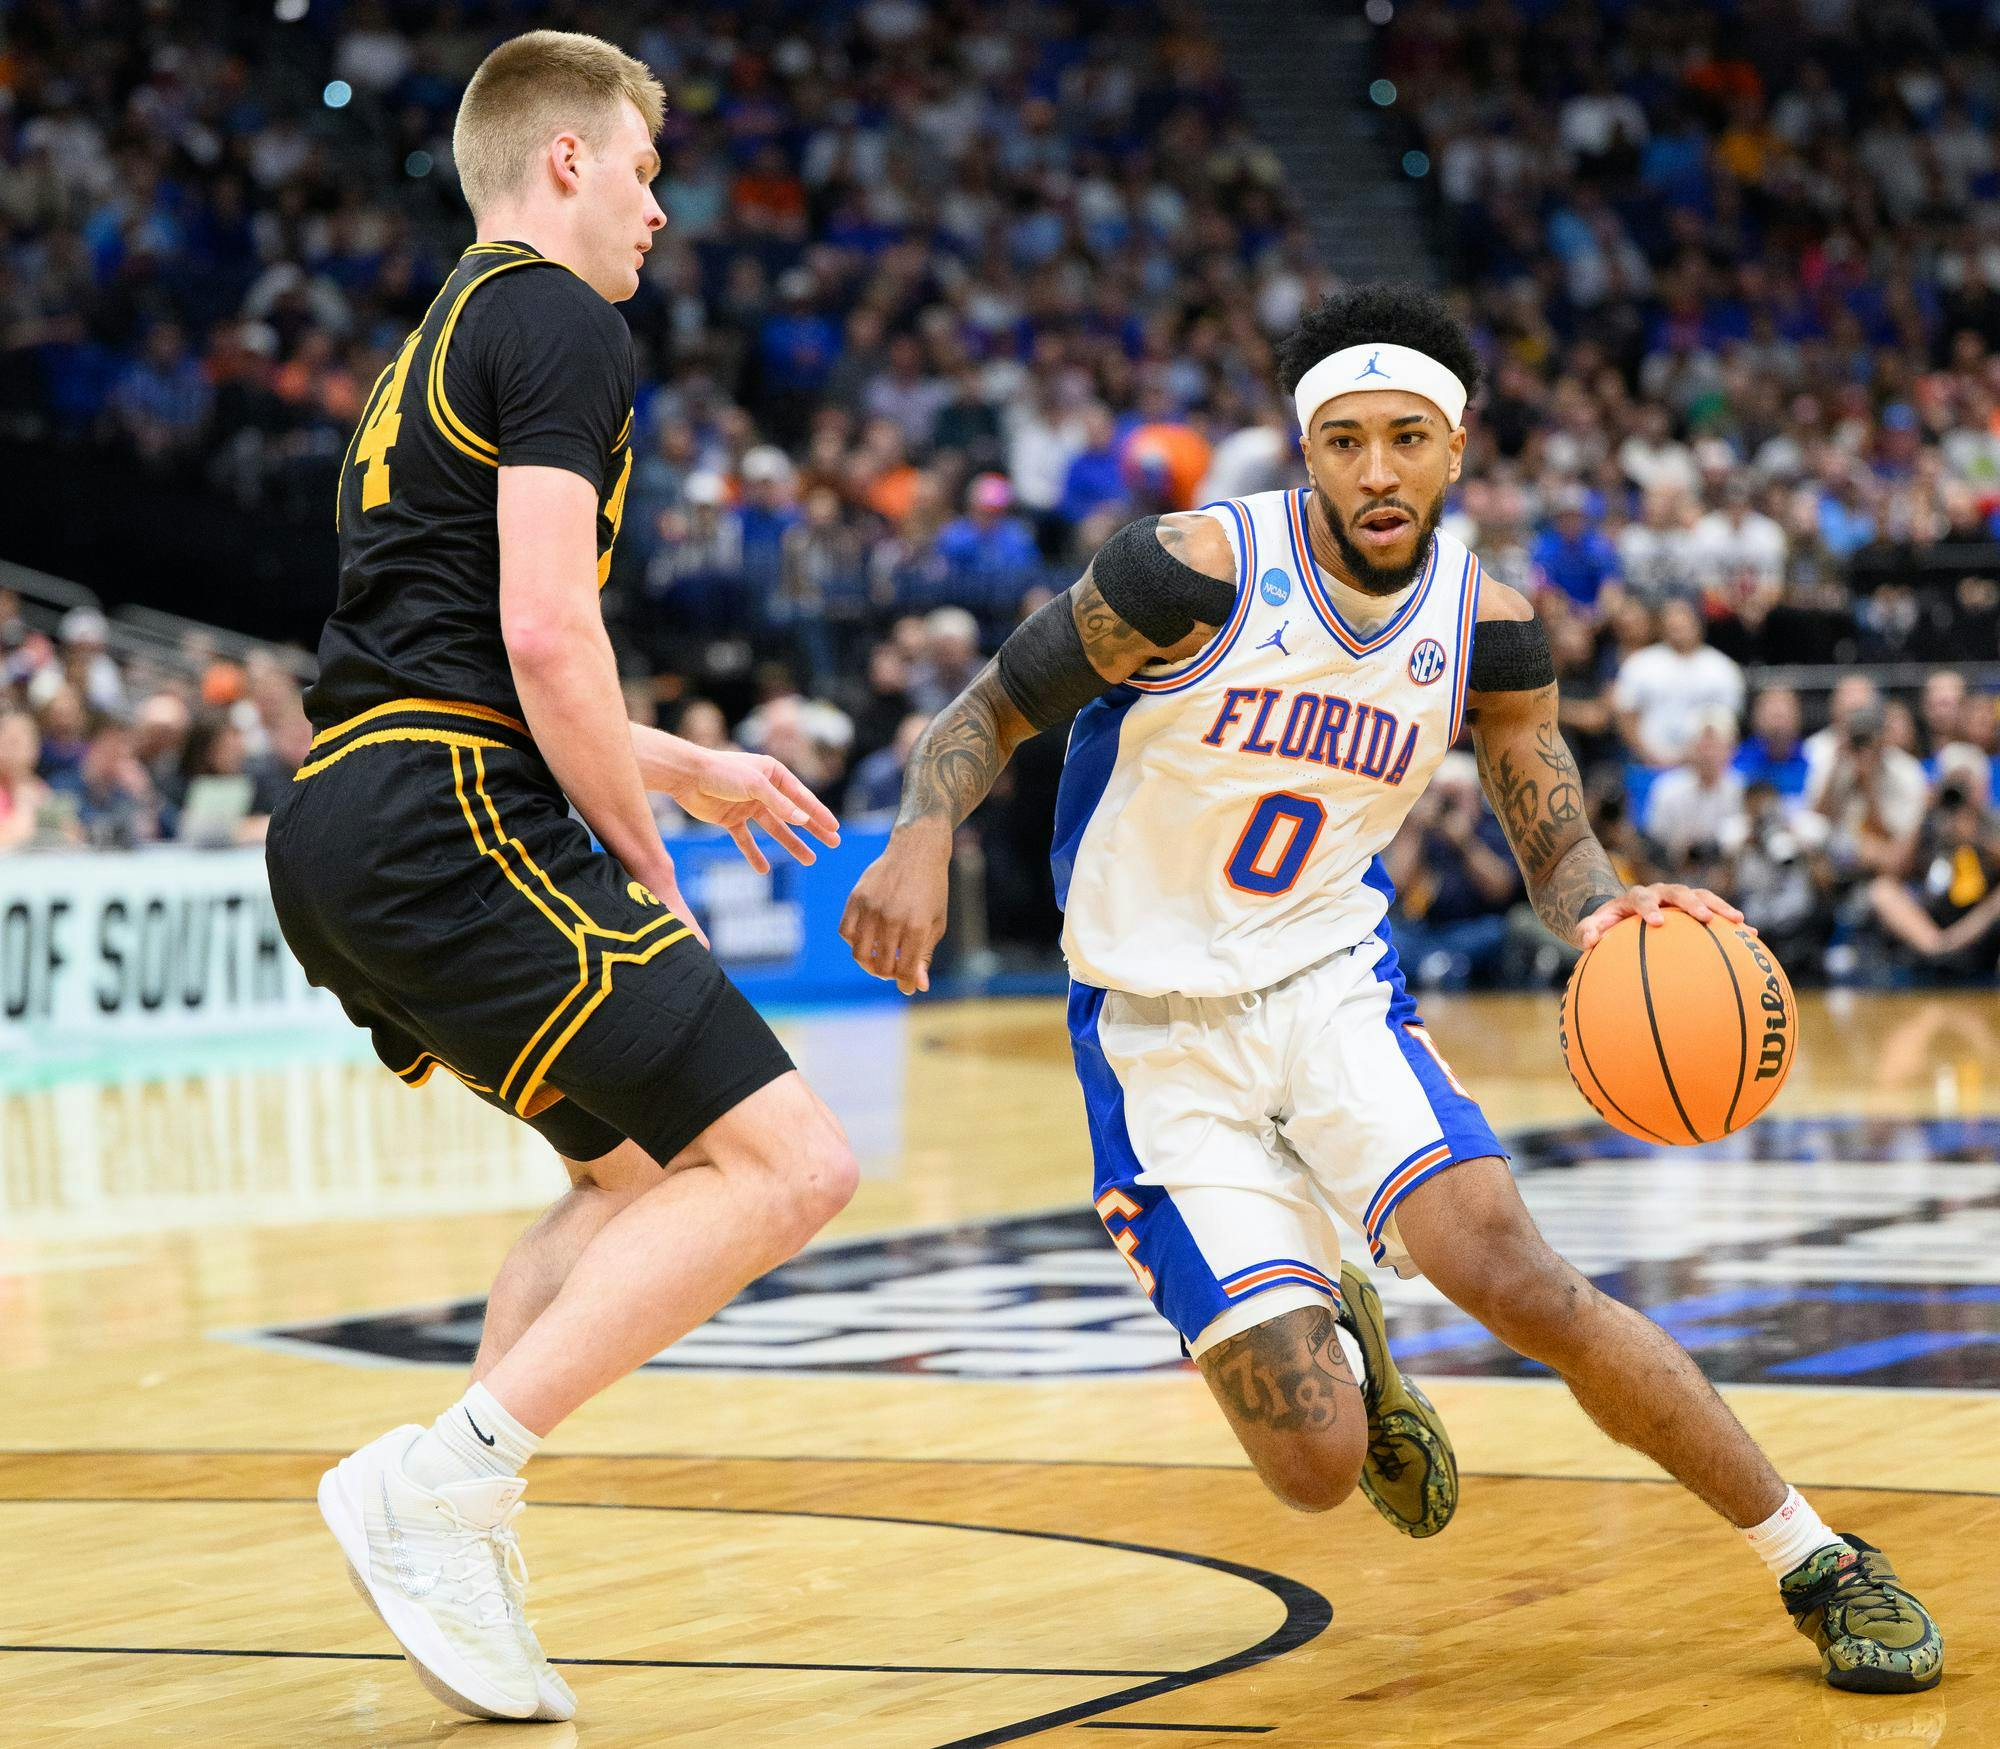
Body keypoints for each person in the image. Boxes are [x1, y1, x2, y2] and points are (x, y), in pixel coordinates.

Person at [841, 285, 1942, 1695]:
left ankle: (1815, 1555)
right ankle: (1348, 1330)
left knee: (1524, 1279)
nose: (1377, 470)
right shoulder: (1189, 570)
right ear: (1306, 447)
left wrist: (1605, 913)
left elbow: (1544, 816)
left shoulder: (1491, 626)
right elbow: (990, 701)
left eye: (1407, 438)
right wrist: (921, 838)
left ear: (1456, 447)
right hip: (1152, 1035)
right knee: (1315, 1467)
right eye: (1346, 439)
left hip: (1329, 987)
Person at [264, 33, 853, 1725]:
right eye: (648, 171)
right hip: (446, 811)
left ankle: (454, 1499)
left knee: (633, 1174)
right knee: (791, 1160)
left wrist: (685, 762)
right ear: (570, 164)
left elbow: (454, 645)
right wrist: (648, 856)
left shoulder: (436, 341)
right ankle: (441, 1480)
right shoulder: (558, 317)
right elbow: (540, 627)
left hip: (353, 812)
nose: (664, 210)